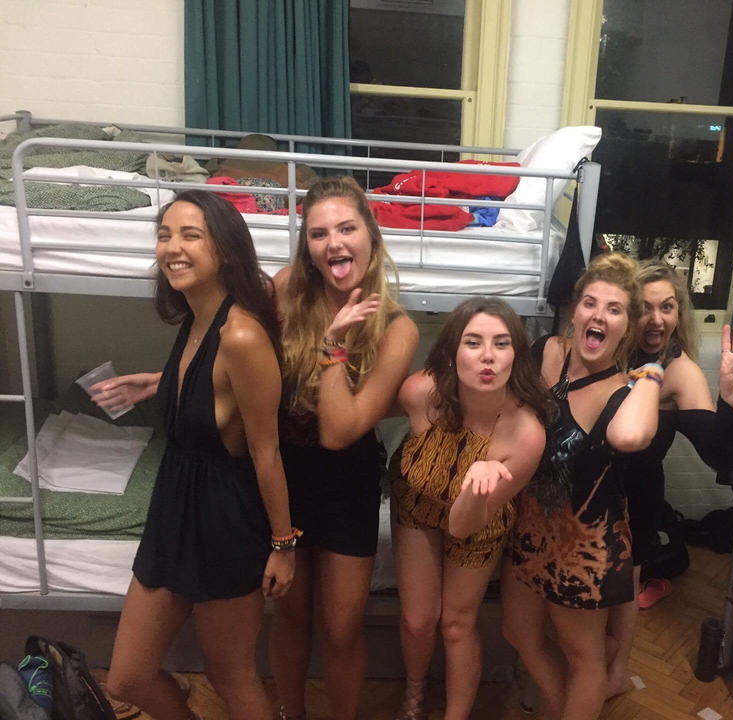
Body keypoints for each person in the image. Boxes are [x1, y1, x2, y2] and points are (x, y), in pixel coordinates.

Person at [92, 190, 295, 720]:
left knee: (231, 674)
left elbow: (266, 450)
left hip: (226, 520)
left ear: (224, 249)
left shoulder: (244, 334)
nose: (172, 248)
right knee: (128, 676)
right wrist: (159, 385)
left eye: (190, 235)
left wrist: (283, 545)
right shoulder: (196, 315)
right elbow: (214, 390)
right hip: (175, 504)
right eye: (164, 235)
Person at [268, 176, 419, 720]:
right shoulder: (285, 289)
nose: (334, 243)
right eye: (318, 233)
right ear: (307, 248)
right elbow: (233, 360)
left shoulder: (396, 328)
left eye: (347, 228)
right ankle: (290, 713)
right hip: (282, 476)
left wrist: (332, 346)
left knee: (340, 626)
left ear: (372, 238)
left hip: (346, 479)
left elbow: (340, 431)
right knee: (289, 617)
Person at [501, 253, 662, 720]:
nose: (599, 315)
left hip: (585, 548)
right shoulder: (546, 352)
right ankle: (556, 705)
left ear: (626, 327)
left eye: (614, 310)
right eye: (591, 303)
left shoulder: (624, 391)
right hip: (529, 529)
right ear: (575, 312)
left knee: (583, 657)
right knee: (518, 633)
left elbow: (630, 437)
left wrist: (653, 369)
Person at [603, 259, 733, 698]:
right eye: (645, 308)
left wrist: (731, 402)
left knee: (621, 596)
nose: (657, 320)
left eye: (668, 307)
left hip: (633, 499)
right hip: (585, 492)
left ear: (680, 312)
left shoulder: (680, 371)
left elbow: (722, 455)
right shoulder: (605, 352)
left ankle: (614, 677)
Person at [389, 298, 550, 720]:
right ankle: (414, 695)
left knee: (456, 625)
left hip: (478, 521)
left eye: (501, 344)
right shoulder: (420, 392)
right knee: (417, 620)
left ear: (517, 354)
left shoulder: (525, 435)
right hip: (417, 502)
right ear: (451, 352)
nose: (487, 357)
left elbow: (462, 526)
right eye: (473, 342)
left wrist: (476, 490)